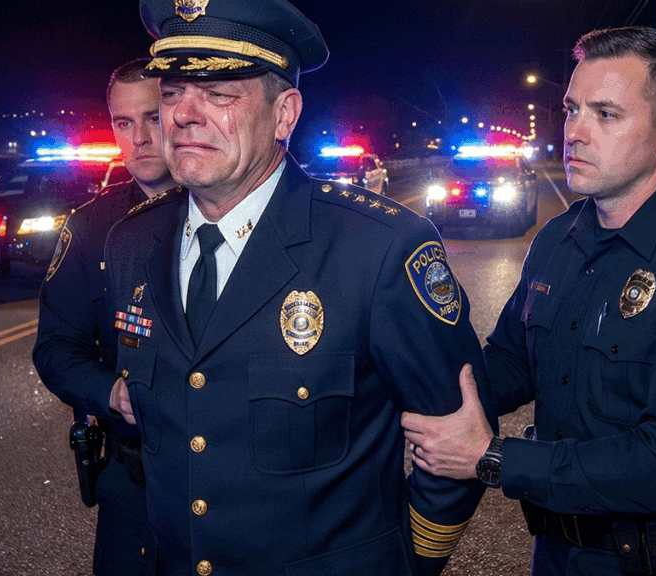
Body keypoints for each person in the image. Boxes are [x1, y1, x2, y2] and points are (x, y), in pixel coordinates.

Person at [79, 0, 499, 574]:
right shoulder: (132, 243)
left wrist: (406, 562)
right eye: (172, 92)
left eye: (219, 93)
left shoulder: (379, 247)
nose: (183, 115)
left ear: (284, 114)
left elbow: (458, 444)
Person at [402, 27, 656, 576]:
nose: (575, 133)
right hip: (557, 550)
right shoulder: (558, 239)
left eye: (606, 114)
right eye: (571, 109)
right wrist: (411, 390)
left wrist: (493, 460)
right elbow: (510, 361)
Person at [33, 58, 177, 576]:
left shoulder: (222, 210)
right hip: (132, 477)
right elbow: (55, 348)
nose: (139, 138)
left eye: (154, 117)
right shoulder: (90, 227)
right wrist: (110, 393)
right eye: (123, 122)